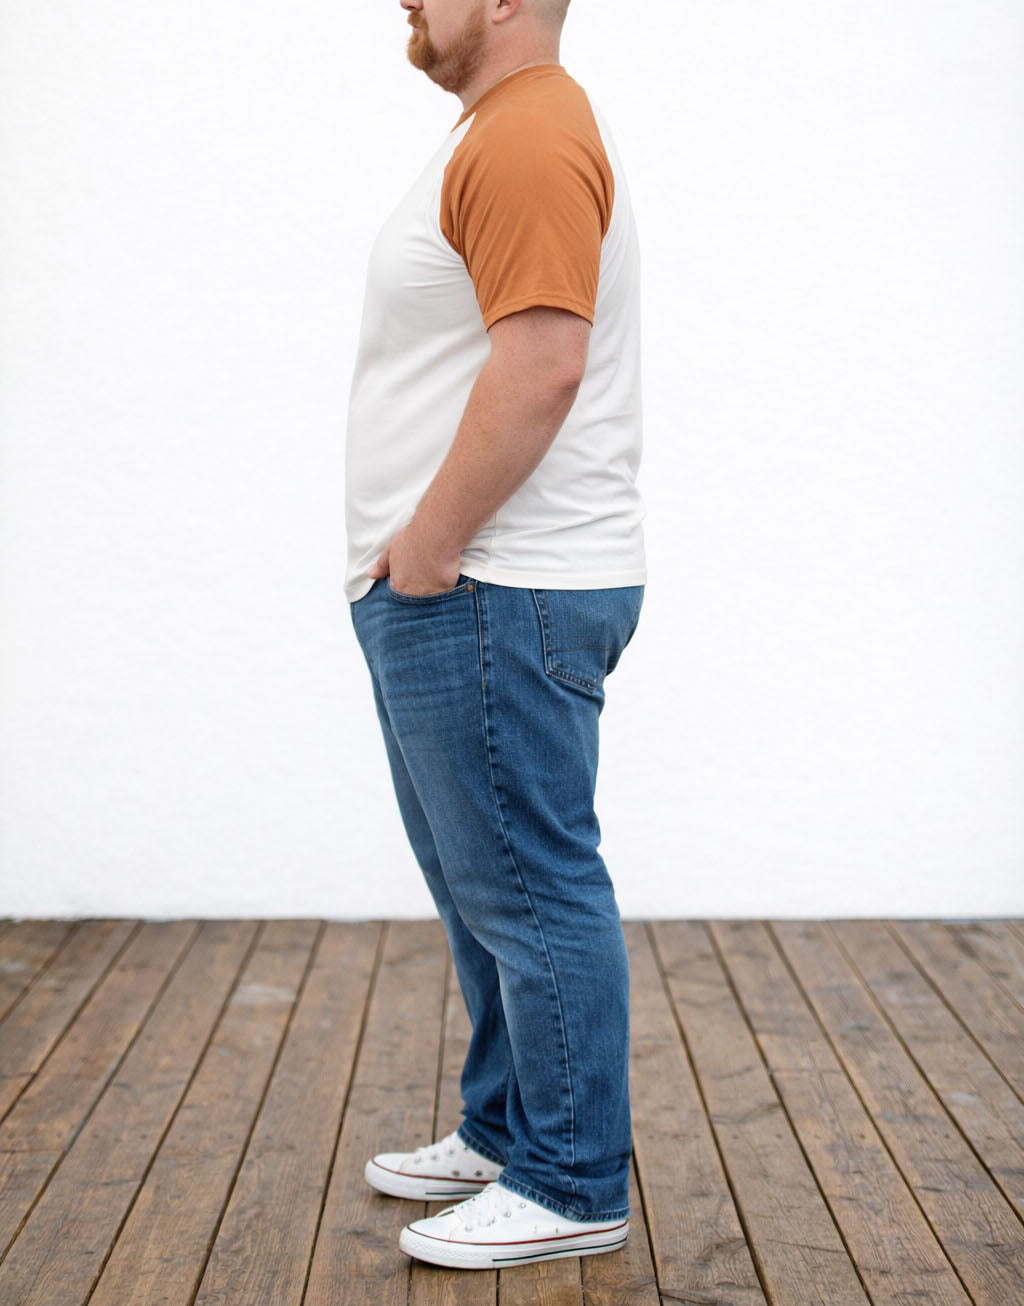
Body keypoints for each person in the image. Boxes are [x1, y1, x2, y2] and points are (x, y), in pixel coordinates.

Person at [345, 0, 647, 1272]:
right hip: (471, 589)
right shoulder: (500, 129)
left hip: (491, 587)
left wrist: (428, 548)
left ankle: (570, 1180)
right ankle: (507, 1129)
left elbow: (542, 368)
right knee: (488, 892)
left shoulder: (526, 136)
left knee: (530, 889)